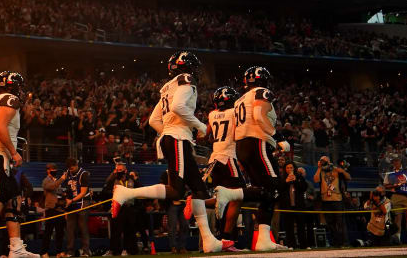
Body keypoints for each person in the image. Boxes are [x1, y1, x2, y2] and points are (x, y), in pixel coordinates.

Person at [111, 52, 234, 253]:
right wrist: (200, 126)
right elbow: (178, 107)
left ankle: (209, 240)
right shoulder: (186, 80)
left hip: (175, 137)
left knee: (200, 190)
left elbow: (153, 120)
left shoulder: (169, 87)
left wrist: (169, 132)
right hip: (177, 138)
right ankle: (126, 193)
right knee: (176, 190)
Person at [0, 70, 41, 258]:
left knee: (13, 200)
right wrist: (13, 152)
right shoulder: (9, 100)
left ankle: (16, 248)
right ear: (12, 86)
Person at [233, 65, 291, 251]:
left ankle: (263, 240)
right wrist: (278, 137)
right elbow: (259, 115)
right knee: (274, 188)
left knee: (268, 192)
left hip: (242, 145)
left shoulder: (240, 99)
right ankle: (232, 194)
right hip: (257, 142)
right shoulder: (261, 91)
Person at [202, 85, 257, 242]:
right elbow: (237, 133)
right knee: (237, 198)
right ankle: (226, 238)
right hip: (228, 158)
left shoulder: (212, 115)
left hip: (214, 159)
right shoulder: (234, 112)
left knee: (223, 198)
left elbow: (204, 134)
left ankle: (197, 202)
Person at [313, 155, 350, 246]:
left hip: (337, 200)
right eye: (321, 160)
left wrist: (342, 171)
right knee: (330, 224)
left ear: (329, 161)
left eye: (324, 161)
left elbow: (348, 177)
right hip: (326, 200)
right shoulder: (320, 171)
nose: (323, 162)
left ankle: (345, 243)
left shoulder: (335, 169)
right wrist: (319, 168)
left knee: (340, 223)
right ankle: (335, 243)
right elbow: (315, 180)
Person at [382, 156, 407, 244]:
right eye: (394, 161)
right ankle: (398, 240)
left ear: (400, 161)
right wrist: (395, 185)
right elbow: (385, 185)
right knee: (398, 218)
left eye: (397, 161)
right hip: (396, 195)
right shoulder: (389, 173)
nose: (396, 163)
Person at [61, 158, 91, 256]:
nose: (71, 170)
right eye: (69, 169)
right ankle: (70, 251)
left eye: (72, 168)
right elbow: (65, 189)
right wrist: (67, 200)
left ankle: (86, 251)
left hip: (82, 202)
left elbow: (83, 192)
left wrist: (72, 200)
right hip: (71, 203)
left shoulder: (84, 174)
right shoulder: (67, 173)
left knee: (83, 228)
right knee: (70, 228)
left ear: (76, 165)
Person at [282, 162, 310, 248]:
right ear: (285, 169)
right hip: (287, 206)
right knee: (289, 227)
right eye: (287, 168)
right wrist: (286, 182)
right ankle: (291, 245)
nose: (289, 169)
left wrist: (295, 181)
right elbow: (279, 188)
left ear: (294, 168)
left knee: (301, 226)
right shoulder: (282, 178)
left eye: (291, 167)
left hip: (299, 206)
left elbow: (304, 187)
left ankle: (304, 245)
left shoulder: (299, 177)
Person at [41, 163, 66, 256]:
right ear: (48, 170)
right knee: (48, 232)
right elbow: (51, 187)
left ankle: (59, 252)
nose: (54, 170)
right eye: (52, 169)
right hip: (50, 209)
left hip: (59, 209)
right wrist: (62, 179)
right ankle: (44, 252)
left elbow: (58, 191)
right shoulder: (46, 181)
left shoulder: (56, 180)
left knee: (60, 232)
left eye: (55, 169)